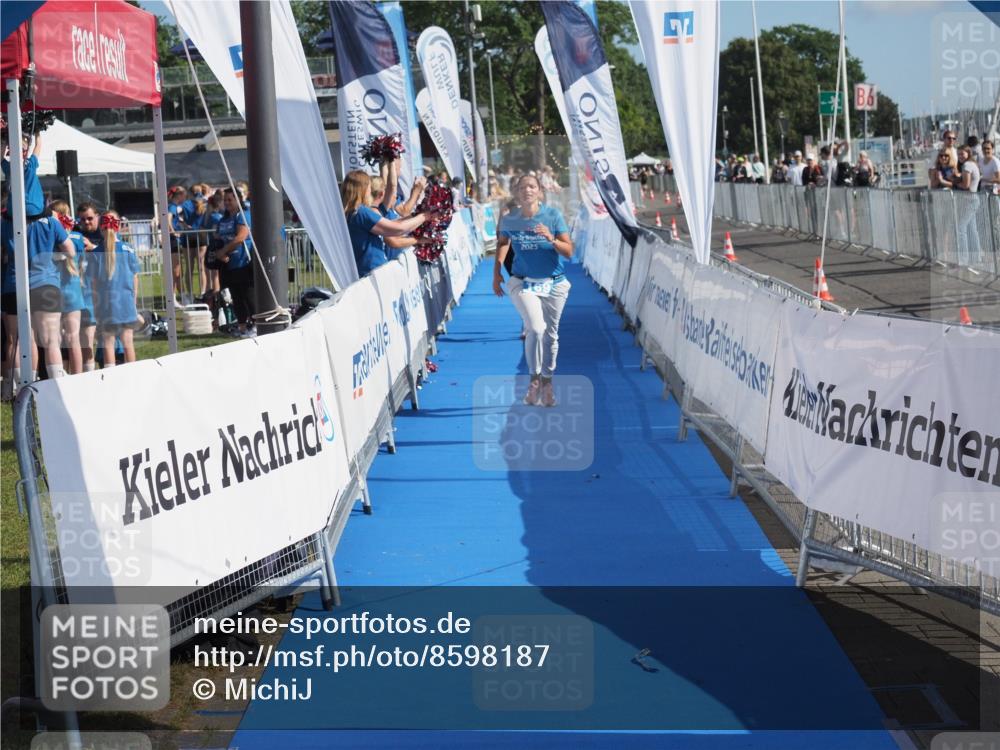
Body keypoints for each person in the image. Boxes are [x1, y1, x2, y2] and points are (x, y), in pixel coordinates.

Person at [493, 173, 574, 407]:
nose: (527, 190)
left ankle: (548, 381)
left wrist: (551, 238)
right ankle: (534, 379)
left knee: (551, 335)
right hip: (523, 282)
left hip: (555, 283)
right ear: (517, 193)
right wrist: (496, 273)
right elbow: (503, 244)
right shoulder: (510, 220)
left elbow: (568, 251)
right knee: (536, 329)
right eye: (522, 187)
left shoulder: (553, 215)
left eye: (532, 186)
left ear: (539, 191)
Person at [340, 170, 440, 277]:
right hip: (372, 273)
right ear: (363, 189)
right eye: (369, 187)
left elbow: (390, 224)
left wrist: (418, 214)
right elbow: (397, 229)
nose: (370, 191)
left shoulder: (353, 212)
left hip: (370, 271)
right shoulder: (361, 212)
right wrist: (425, 216)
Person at [87, 211, 140, 367]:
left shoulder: (96, 253)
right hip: (126, 302)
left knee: (108, 342)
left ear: (101, 228)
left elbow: (94, 284)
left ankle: (111, 378)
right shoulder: (129, 249)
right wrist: (133, 302)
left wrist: (96, 308)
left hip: (106, 304)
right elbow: (134, 278)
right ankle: (133, 375)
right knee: (128, 342)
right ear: (117, 227)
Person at [50, 201, 85, 375]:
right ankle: (76, 377)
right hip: (73, 291)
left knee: (55, 339)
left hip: (55, 291)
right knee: (73, 339)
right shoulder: (78, 238)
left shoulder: (53, 236)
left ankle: (59, 376)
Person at [212, 189, 254, 335]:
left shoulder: (242, 216)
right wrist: (218, 253)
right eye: (226, 200)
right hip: (228, 265)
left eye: (230, 199)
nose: (227, 203)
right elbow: (217, 237)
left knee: (248, 295)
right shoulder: (223, 220)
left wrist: (224, 251)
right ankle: (242, 327)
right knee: (236, 297)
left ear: (238, 200)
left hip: (243, 261)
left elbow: (241, 237)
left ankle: (255, 325)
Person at [2, 131, 45, 218]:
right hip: (33, 207)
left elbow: (1, 157)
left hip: (13, 209)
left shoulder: (7, 166)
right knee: (51, 215)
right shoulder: (30, 164)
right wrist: (37, 131)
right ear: (26, 150)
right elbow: (38, 144)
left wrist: (4, 141)